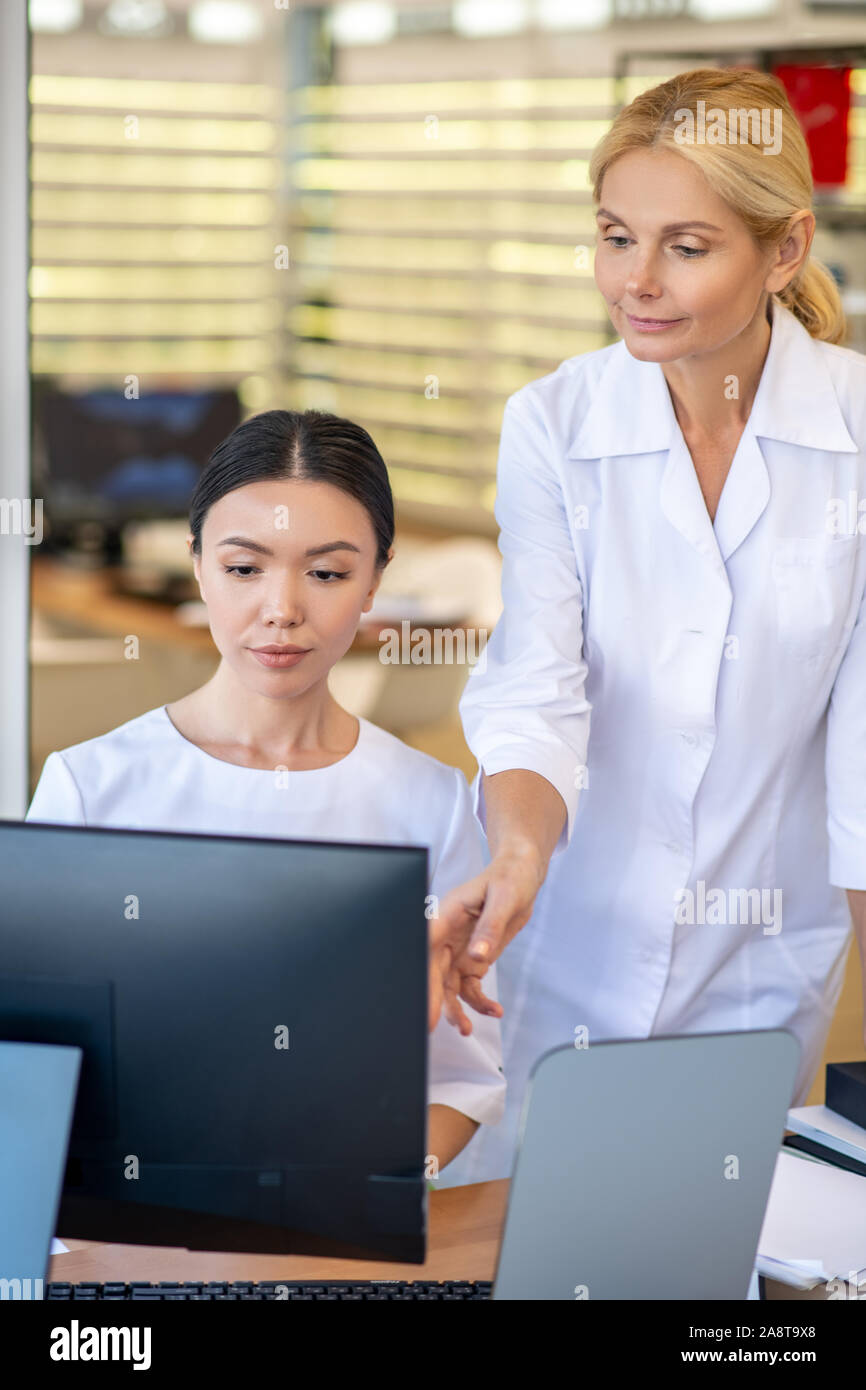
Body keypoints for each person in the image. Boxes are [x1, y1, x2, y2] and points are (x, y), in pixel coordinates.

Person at [431, 67, 866, 1186]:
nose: (635, 281)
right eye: (615, 236)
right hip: (552, 944)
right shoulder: (555, 423)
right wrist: (518, 853)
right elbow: (535, 682)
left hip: (760, 962)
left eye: (685, 244)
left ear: (782, 251)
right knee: (512, 1247)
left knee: (699, 1266)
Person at [26, 407, 505, 1176]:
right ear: (197, 563)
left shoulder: (435, 803)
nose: (282, 609)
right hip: (132, 1229)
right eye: (245, 568)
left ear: (376, 576)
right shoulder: (90, 789)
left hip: (343, 1232)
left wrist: (356, 1197)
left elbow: (463, 1079)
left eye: (327, 573)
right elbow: (39, 1070)